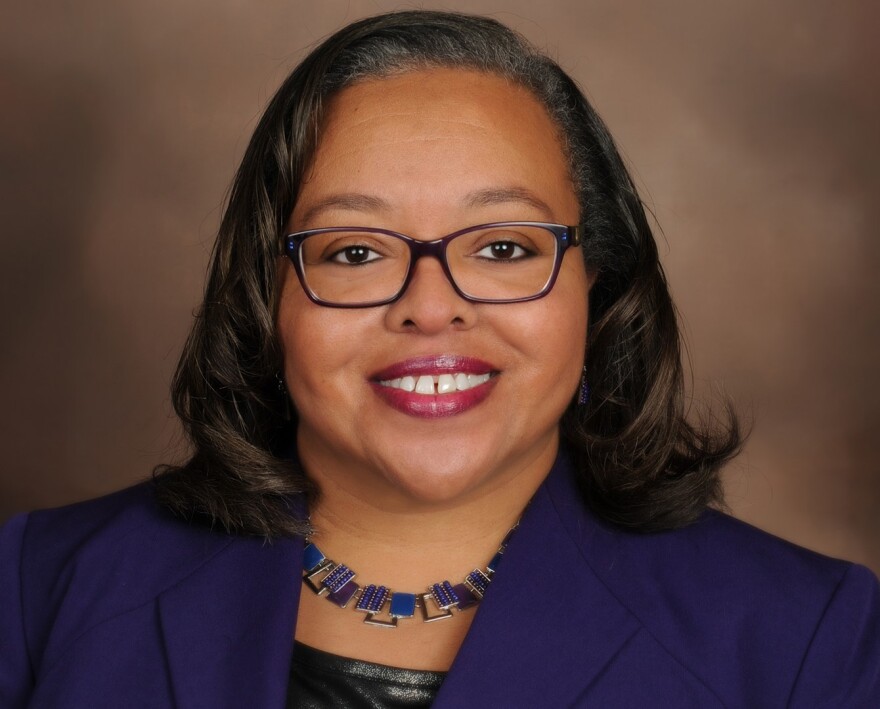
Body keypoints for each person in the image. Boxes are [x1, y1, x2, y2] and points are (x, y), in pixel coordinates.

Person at [1, 10, 878, 708]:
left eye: (503, 248)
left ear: (598, 287)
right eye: (354, 251)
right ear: (266, 295)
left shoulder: (807, 640)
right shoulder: (37, 589)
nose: (430, 306)